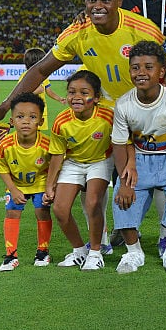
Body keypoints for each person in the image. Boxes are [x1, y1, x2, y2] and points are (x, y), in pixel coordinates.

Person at [0, 0, 166, 124]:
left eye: (105, 0)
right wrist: (4, 107)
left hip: (144, 107)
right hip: (104, 112)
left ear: (119, 2)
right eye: (92, 0)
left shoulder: (143, 29)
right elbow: (40, 70)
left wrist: (158, 100)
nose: (97, 6)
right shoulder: (77, 32)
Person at [110, 41, 166, 275]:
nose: (141, 73)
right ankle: (133, 252)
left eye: (148, 67)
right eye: (135, 68)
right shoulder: (124, 104)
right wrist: (124, 181)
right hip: (139, 159)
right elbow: (119, 144)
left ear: (161, 72)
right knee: (122, 198)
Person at [43, 70, 115, 270]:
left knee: (93, 202)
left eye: (84, 93)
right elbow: (58, 154)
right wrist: (50, 185)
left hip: (101, 160)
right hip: (73, 162)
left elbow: (120, 143)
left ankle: (95, 253)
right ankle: (79, 251)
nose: (76, 97)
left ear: (97, 97)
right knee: (59, 208)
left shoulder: (108, 116)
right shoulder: (61, 120)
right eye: (72, 92)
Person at [0, 94, 53, 271]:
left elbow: (54, 167)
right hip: (16, 185)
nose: (26, 121)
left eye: (32, 117)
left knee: (41, 211)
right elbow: (2, 168)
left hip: (40, 183)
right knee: (12, 213)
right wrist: (12, 189)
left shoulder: (46, 145)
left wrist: (50, 188)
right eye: (20, 117)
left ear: (41, 122)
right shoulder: (5, 144)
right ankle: (11, 255)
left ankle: (43, 251)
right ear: (12, 121)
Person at [19, 47, 65, 131]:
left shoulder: (44, 76)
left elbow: (49, 91)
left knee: (38, 133)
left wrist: (59, 98)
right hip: (29, 110)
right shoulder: (25, 76)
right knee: (30, 132)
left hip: (41, 110)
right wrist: (37, 91)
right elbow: (21, 93)